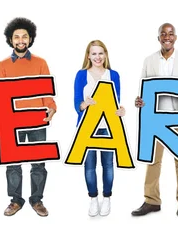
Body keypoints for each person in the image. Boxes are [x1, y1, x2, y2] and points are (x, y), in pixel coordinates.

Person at [131, 23, 178, 218]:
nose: (167, 37)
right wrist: (139, 101)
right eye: (163, 34)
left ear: (175, 37)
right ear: (159, 38)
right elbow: (143, 87)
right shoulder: (149, 60)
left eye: (170, 34)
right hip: (156, 119)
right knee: (153, 160)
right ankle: (151, 201)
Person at [0, 17, 56, 217]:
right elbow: (0, 93)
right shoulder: (3, 65)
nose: (20, 40)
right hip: (12, 122)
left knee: (38, 163)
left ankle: (37, 200)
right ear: (10, 40)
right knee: (13, 163)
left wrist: (52, 107)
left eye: (24, 36)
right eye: (16, 37)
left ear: (30, 38)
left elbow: (46, 93)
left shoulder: (41, 63)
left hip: (36, 120)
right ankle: (16, 200)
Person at [73, 40, 125, 217]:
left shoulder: (114, 75)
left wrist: (121, 110)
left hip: (108, 128)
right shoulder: (81, 75)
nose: (97, 57)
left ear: (106, 55)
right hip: (87, 127)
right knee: (89, 166)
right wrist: (84, 104)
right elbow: (76, 105)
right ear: (88, 55)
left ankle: (107, 198)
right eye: (94, 53)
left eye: (100, 53)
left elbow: (116, 102)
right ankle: (93, 199)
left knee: (108, 165)